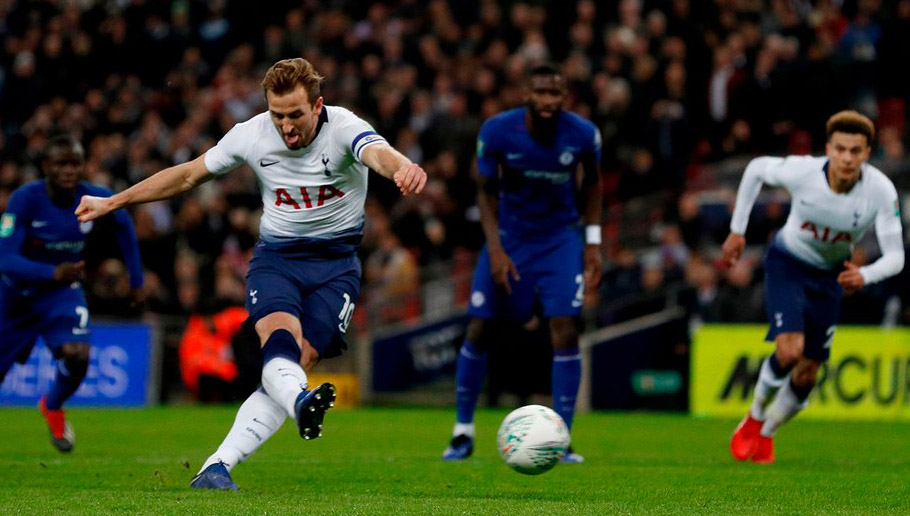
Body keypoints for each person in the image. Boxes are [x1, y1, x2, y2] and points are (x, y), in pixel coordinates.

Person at [75, 58, 427, 489]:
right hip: (277, 258)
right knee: (278, 341)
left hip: (337, 265)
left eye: (295, 115)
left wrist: (403, 167)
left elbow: (378, 154)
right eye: (277, 115)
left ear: (318, 107)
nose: (286, 126)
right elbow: (187, 175)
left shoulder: (344, 128)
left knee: (301, 359)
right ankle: (298, 400)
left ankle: (216, 466)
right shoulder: (252, 133)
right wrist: (114, 202)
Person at [442, 64, 603, 463]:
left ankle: (562, 438)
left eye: (556, 94)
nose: (548, 101)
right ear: (525, 94)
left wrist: (593, 243)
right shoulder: (497, 131)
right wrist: (495, 249)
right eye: (540, 92)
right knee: (480, 326)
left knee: (565, 328)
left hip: (560, 239)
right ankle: (462, 432)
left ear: (565, 97)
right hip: (510, 237)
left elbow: (595, 185)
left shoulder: (583, 134)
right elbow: (484, 191)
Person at [724, 110, 904, 463]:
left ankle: (767, 432)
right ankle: (754, 416)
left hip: (830, 276)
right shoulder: (804, 171)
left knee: (807, 375)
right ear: (828, 149)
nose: (847, 158)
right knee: (790, 351)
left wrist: (865, 276)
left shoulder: (881, 191)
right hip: (788, 263)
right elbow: (756, 168)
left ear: (867, 153)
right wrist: (737, 229)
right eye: (840, 149)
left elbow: (896, 256)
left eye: (855, 150)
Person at [0, 134, 144, 452]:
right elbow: (5, 258)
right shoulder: (25, 200)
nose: (68, 170)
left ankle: (52, 405)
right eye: (60, 164)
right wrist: (51, 271)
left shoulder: (94, 196)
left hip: (60, 293)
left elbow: (123, 224)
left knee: (77, 355)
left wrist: (136, 281)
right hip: (14, 298)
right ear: (45, 167)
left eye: (74, 163)